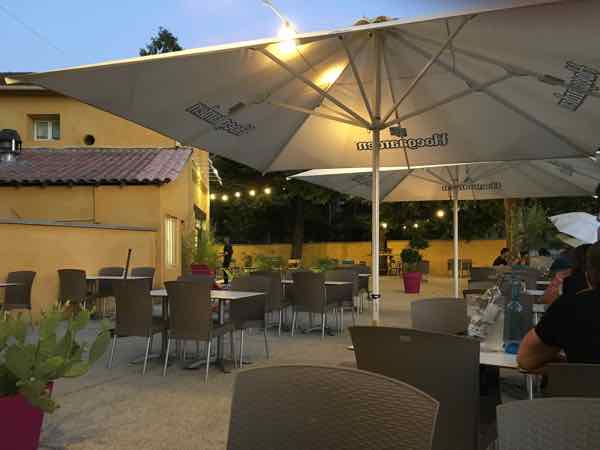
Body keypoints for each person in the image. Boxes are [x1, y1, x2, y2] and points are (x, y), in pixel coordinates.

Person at [518, 242, 600, 371]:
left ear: (588, 274)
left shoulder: (569, 307)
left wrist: (568, 363)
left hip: (581, 389)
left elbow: (526, 360)